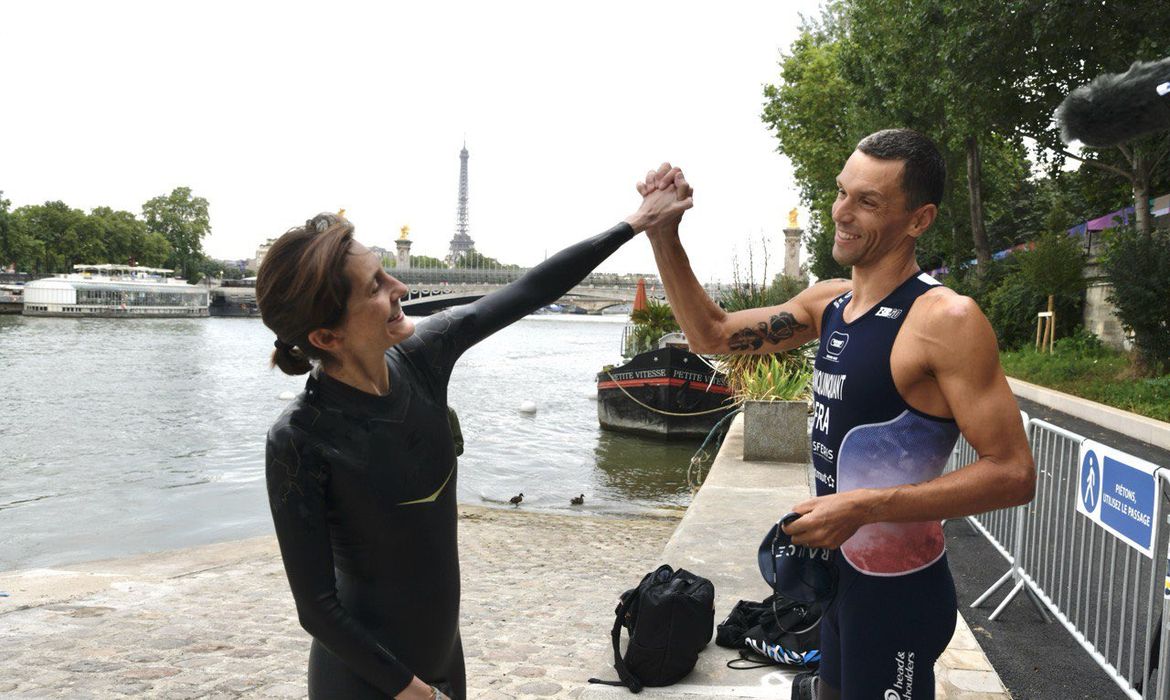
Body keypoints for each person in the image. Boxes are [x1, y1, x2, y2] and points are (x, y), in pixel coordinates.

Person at [638, 129, 1035, 699]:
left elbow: (1013, 473)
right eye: (842, 192)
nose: (841, 213)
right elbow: (711, 334)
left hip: (897, 588)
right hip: (836, 576)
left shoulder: (945, 319)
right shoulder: (831, 304)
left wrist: (865, 506)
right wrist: (664, 236)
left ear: (919, 220)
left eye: (868, 201)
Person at [256, 183, 691, 700]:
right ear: (326, 338)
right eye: (374, 286)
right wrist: (416, 692)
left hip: (443, 659)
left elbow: (529, 290)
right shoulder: (300, 440)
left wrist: (636, 222)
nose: (397, 286)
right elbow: (317, 610)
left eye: (384, 270)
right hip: (366, 682)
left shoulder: (424, 356)